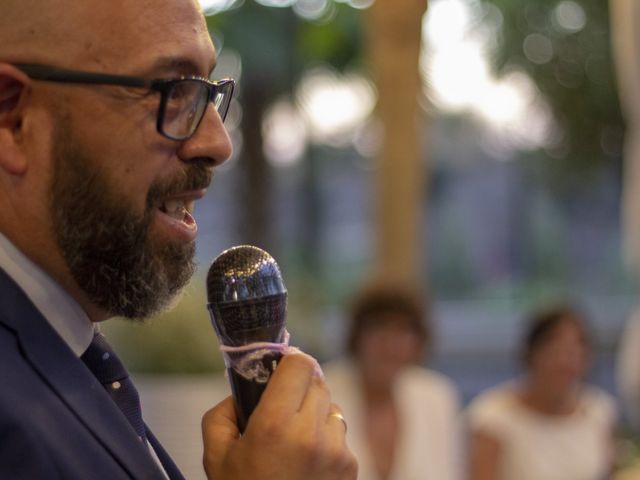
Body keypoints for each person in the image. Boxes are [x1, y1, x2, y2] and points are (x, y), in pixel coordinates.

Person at [0, 1, 357, 479]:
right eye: (173, 90)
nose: (217, 143)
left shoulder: (65, 351)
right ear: (13, 119)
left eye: (209, 91)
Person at [323, 279, 462, 480]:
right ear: (357, 335)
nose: (391, 344)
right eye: (380, 329)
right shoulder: (322, 392)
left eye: (403, 331)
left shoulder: (436, 397)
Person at [466, 304, 617, 480]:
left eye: (574, 351)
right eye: (555, 350)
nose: (565, 362)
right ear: (532, 354)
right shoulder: (493, 418)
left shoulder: (598, 408)